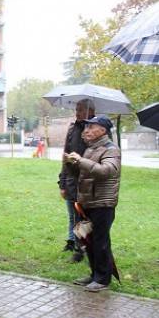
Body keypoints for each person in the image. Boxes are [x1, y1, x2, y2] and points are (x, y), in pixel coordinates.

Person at [64, 115, 121, 292]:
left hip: (102, 204)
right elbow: (82, 173)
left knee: (100, 241)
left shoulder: (111, 150)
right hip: (87, 202)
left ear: (102, 130)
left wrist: (80, 161)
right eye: (85, 128)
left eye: (91, 128)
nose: (86, 131)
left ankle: (103, 280)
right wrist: (72, 164)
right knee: (88, 240)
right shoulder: (90, 149)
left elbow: (107, 171)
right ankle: (94, 274)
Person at [59, 99, 95, 262]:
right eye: (76, 109)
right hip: (72, 180)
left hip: (88, 181)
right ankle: (75, 244)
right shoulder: (73, 128)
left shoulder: (96, 130)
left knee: (85, 217)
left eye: (81, 109)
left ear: (90, 111)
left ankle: (84, 248)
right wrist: (63, 182)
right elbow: (66, 156)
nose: (77, 112)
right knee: (73, 215)